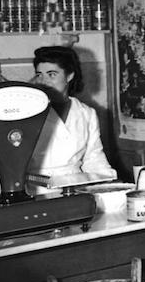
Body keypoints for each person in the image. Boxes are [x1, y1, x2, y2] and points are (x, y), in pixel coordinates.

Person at [29, 46, 117, 185]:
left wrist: (108, 183)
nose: (44, 81)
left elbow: (94, 158)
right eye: (39, 75)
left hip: (75, 186)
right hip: (37, 188)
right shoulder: (29, 111)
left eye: (52, 74)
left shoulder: (86, 113)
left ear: (69, 76)